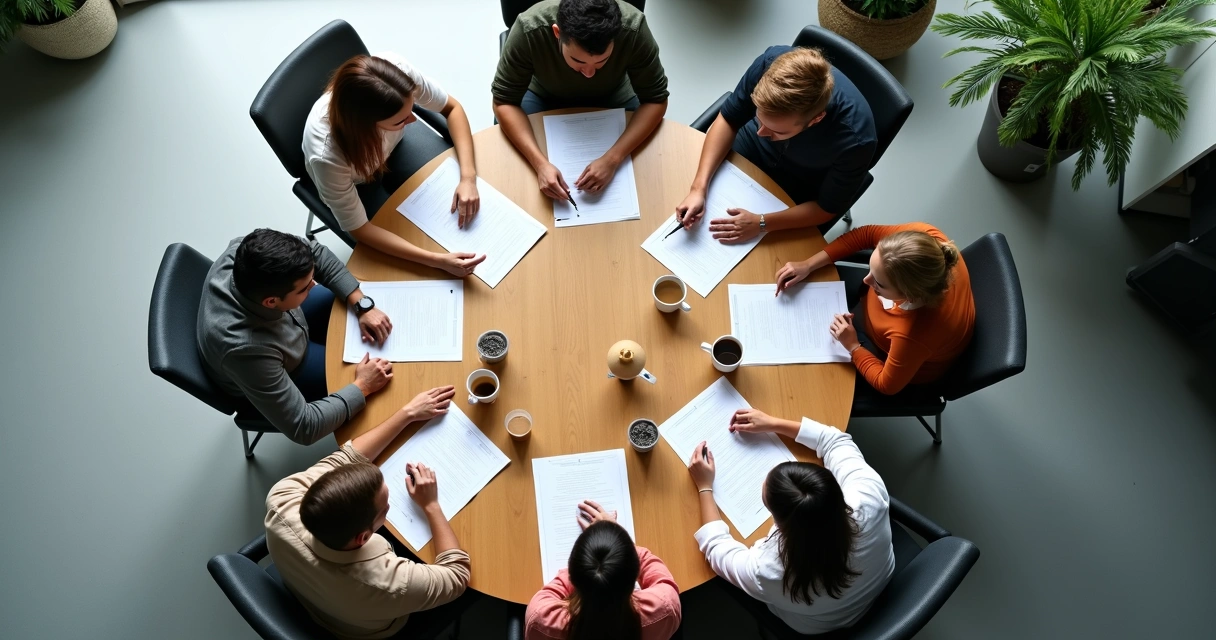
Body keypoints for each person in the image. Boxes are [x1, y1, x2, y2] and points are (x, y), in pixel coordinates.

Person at [265, 385, 475, 639]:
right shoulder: (389, 585)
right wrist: (430, 504)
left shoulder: (282, 498)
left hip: (309, 589)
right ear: (363, 537)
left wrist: (408, 413)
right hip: (370, 627)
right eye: (386, 507)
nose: (389, 506)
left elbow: (348, 457)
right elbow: (457, 575)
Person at [687, 409, 894, 635]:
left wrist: (704, 485)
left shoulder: (770, 571)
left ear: (780, 523)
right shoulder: (868, 495)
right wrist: (773, 423)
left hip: (822, 625)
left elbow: (716, 547)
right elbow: (833, 440)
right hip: (880, 580)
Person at [197, 228, 394, 445]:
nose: (315, 283)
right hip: (284, 365)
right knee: (381, 381)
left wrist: (361, 303)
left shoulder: (246, 250)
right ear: (271, 301)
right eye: (305, 288)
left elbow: (315, 254)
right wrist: (362, 386)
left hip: (288, 321)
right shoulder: (245, 350)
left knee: (349, 303)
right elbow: (304, 426)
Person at [303, 52, 486, 277]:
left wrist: (468, 178)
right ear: (366, 126)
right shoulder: (328, 157)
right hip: (359, 181)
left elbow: (452, 108)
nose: (413, 121)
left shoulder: (397, 75)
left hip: (395, 150)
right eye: (400, 120)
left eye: (411, 110)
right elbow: (360, 229)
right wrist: (436, 261)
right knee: (414, 244)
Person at [675, 46, 876, 242]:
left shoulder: (857, 141)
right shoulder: (768, 67)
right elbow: (730, 119)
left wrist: (761, 223)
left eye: (777, 130)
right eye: (760, 120)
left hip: (802, 179)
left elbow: (826, 208)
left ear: (815, 119)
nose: (761, 132)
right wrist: (698, 189)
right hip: (750, 145)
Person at [492, 0, 669, 203]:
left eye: (602, 61)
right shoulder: (530, 27)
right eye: (579, 61)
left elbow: (656, 100)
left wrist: (613, 159)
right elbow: (503, 102)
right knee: (518, 179)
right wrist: (540, 164)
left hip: (613, 94)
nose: (589, 74)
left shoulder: (633, 29)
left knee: (644, 176)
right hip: (542, 94)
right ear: (557, 33)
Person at [775, 222, 974, 395]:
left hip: (889, 357)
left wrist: (853, 346)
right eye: (871, 269)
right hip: (874, 317)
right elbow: (867, 234)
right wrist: (808, 264)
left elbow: (886, 384)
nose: (865, 279)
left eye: (878, 283)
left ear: (910, 295)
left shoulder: (914, 335)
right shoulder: (923, 240)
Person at [525, 500, 681, 640]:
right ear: (634, 573)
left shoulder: (542, 620)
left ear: (574, 574)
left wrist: (588, 562)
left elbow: (557, 586)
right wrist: (616, 541)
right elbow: (653, 568)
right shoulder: (664, 607)